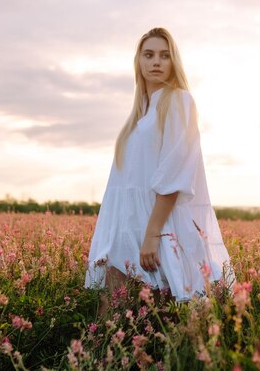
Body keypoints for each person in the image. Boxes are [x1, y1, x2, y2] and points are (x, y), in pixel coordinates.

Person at [84, 27, 233, 314]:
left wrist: (152, 235)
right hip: (127, 226)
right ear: (138, 61)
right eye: (149, 54)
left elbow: (175, 174)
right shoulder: (139, 114)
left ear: (173, 62)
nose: (156, 62)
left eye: (164, 56)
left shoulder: (179, 101)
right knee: (113, 317)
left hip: (156, 225)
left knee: (158, 320)